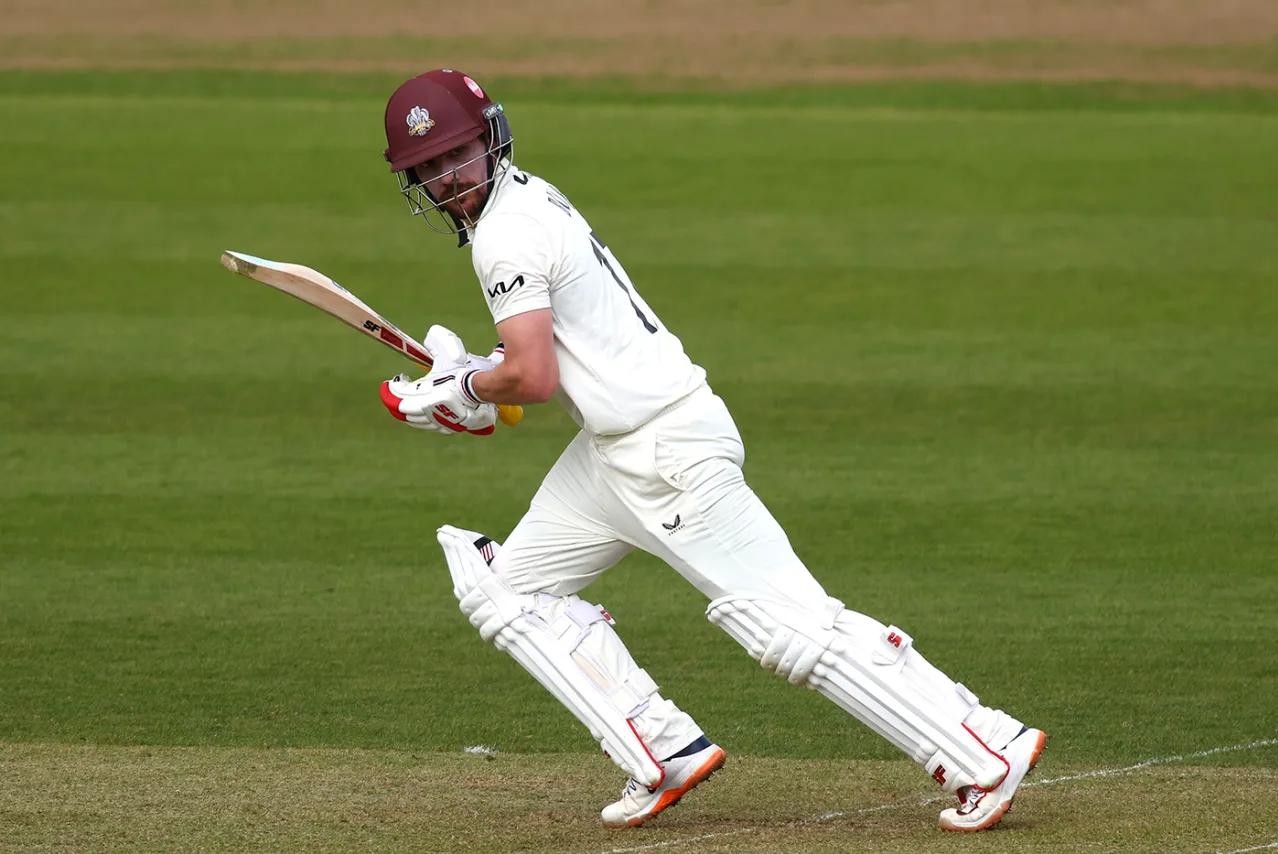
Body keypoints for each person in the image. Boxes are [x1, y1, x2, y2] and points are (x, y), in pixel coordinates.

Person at [376, 69, 1046, 832]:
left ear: (488, 138)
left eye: (454, 154)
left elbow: (532, 373)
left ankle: (984, 748)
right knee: (509, 590)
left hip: (666, 451)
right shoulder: (527, 195)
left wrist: (465, 394)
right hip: (613, 454)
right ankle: (663, 752)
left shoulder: (503, 235)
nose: (444, 178)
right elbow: (539, 355)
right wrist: (470, 378)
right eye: (426, 169)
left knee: (786, 626)